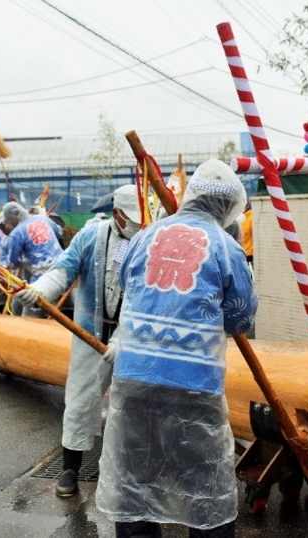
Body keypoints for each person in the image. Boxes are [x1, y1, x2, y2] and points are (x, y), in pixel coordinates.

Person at [95, 159, 258, 538]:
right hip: (193, 384)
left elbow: (126, 288)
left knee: (135, 483)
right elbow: (241, 319)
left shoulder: (142, 238)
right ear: (228, 208)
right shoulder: (226, 247)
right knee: (206, 488)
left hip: (134, 377)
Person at [16, 184, 142, 498]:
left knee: (131, 406)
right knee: (81, 402)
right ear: (117, 214)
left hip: (133, 338)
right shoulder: (91, 236)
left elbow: (149, 297)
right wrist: (41, 291)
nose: (140, 225)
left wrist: (125, 339)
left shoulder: (149, 241)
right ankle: (71, 468)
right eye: (134, 219)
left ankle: (127, 471)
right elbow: (63, 269)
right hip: (89, 332)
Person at [2, 202, 63, 317]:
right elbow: (59, 232)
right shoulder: (43, 218)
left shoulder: (16, 233)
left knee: (32, 314)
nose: (8, 224)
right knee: (66, 308)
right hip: (62, 269)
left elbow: (14, 262)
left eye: (8, 221)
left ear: (14, 216)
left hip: (41, 276)